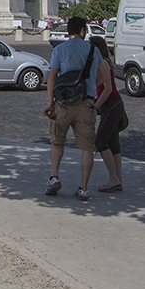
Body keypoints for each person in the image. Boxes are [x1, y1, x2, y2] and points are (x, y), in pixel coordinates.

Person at [42, 16, 97, 201]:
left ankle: (54, 177)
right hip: (86, 103)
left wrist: (50, 102)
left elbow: (52, 78)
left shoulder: (59, 50)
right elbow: (103, 76)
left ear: (68, 31)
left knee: (57, 142)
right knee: (86, 148)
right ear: (82, 31)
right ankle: (83, 188)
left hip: (63, 104)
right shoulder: (93, 50)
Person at [90, 34, 125, 192]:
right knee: (113, 144)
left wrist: (96, 105)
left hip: (111, 105)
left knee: (101, 142)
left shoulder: (102, 63)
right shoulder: (106, 61)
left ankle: (113, 178)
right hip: (113, 104)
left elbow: (108, 88)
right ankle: (118, 180)